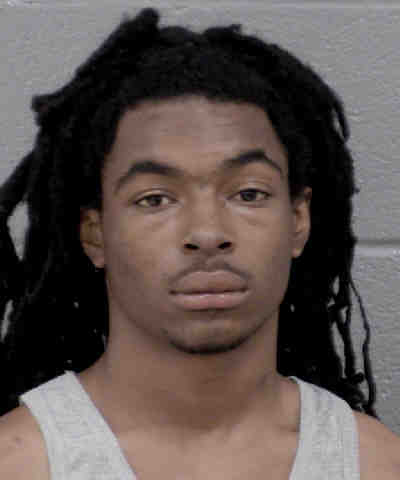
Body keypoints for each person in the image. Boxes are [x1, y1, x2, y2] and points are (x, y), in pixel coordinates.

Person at [0, 7, 399, 479]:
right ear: (94, 232)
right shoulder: (18, 462)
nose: (207, 234)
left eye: (248, 193)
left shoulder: (375, 464)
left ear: (298, 219)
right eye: (155, 199)